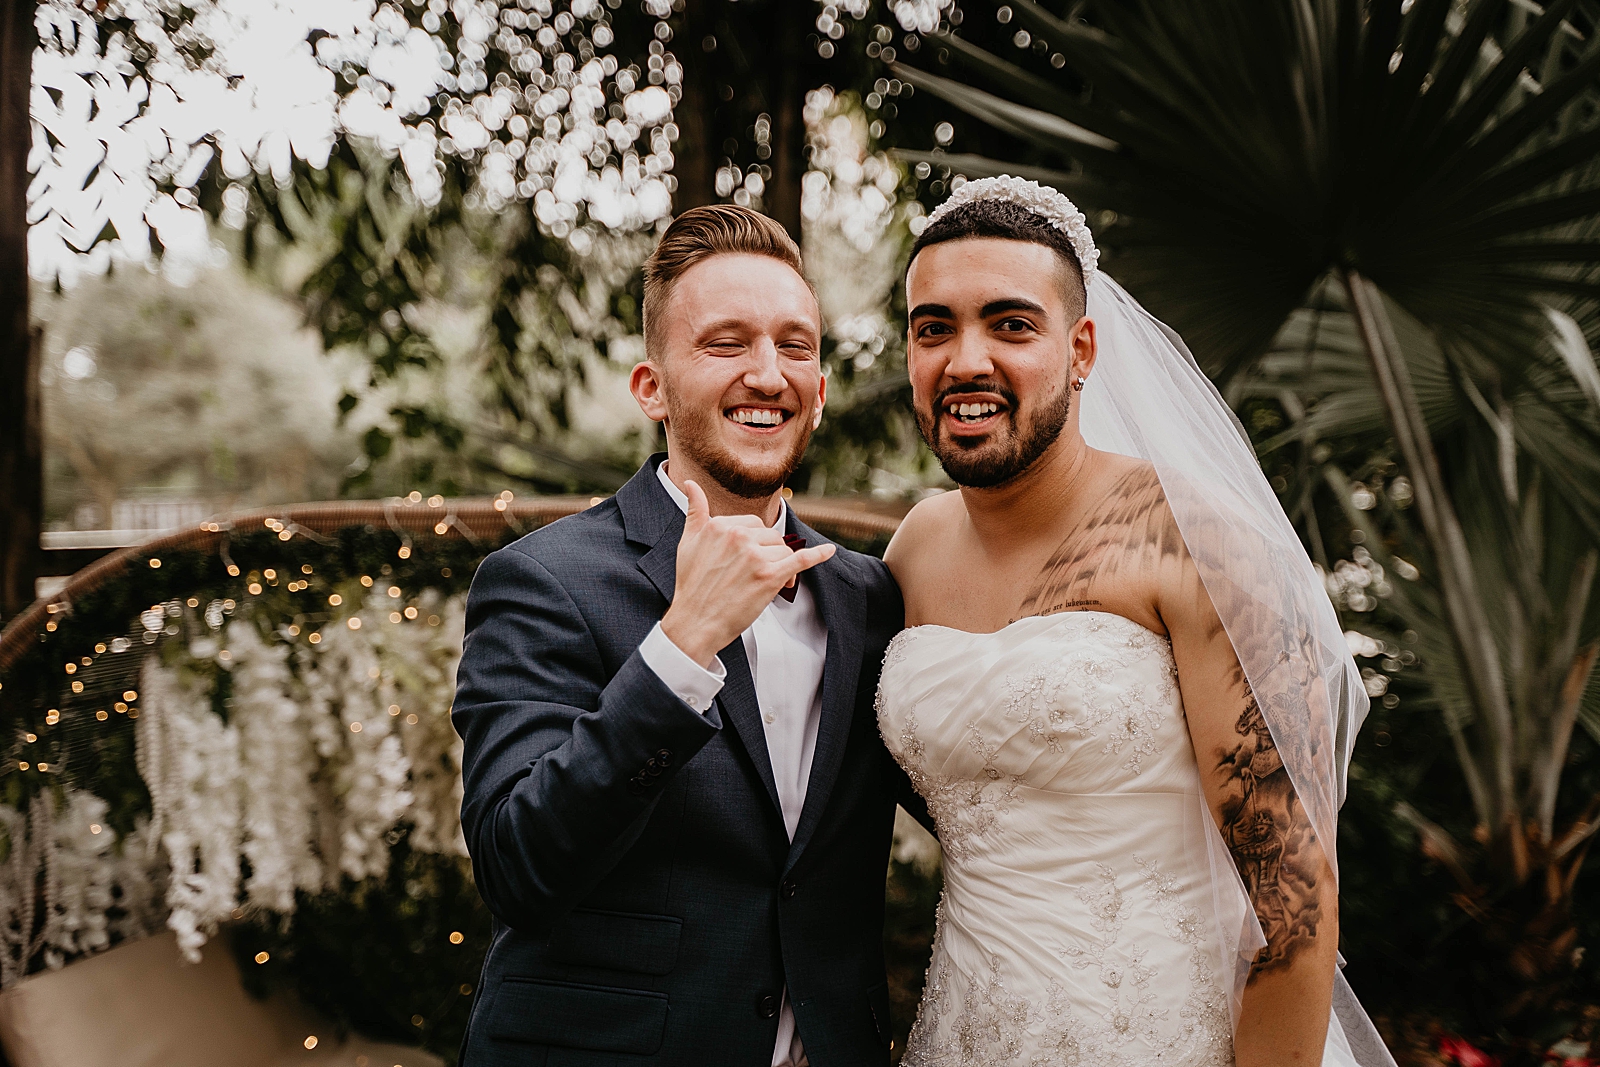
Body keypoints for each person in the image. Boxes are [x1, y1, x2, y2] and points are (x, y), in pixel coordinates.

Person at [876, 178, 1395, 1066]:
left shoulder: (1195, 542)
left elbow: (1294, 907)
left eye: (1010, 324)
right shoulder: (913, 550)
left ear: (1082, 349)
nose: (965, 361)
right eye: (935, 328)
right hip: (960, 1030)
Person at [452, 204, 928, 1066]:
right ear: (652, 388)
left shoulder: (870, 597)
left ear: (820, 391)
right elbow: (517, 867)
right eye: (725, 343)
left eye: (795, 345)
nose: (767, 373)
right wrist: (680, 646)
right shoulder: (541, 581)